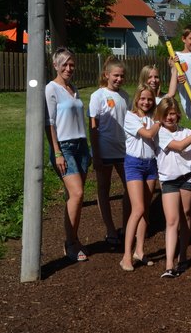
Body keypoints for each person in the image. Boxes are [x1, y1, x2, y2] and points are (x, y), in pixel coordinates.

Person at [155, 97, 191, 278]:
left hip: (188, 176)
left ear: (177, 114)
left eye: (172, 114)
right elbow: (179, 146)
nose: (169, 118)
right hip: (169, 180)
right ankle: (169, 264)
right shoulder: (160, 133)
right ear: (160, 116)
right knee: (172, 220)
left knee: (186, 215)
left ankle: (183, 256)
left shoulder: (185, 131)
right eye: (165, 114)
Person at [45, 47, 90, 262]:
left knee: (75, 198)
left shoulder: (73, 88)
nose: (69, 68)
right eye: (64, 64)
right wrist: (57, 152)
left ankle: (73, 238)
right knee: (77, 193)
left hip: (81, 145)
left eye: (71, 64)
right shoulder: (51, 89)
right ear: (55, 65)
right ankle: (71, 243)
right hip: (64, 147)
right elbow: (50, 123)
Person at [88, 56, 131, 246]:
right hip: (104, 150)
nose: (119, 79)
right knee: (103, 190)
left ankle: (127, 226)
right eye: (115, 76)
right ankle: (110, 229)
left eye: (122, 76)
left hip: (124, 150)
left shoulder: (125, 96)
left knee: (130, 188)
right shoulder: (98, 96)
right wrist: (96, 154)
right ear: (107, 75)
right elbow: (93, 126)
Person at [119, 84, 161, 272]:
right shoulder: (130, 117)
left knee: (146, 211)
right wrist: (159, 123)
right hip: (134, 163)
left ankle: (140, 250)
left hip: (151, 164)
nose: (146, 102)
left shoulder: (153, 117)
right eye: (143, 98)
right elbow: (148, 134)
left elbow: (170, 100)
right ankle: (126, 255)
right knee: (138, 208)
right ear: (136, 99)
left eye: (150, 99)